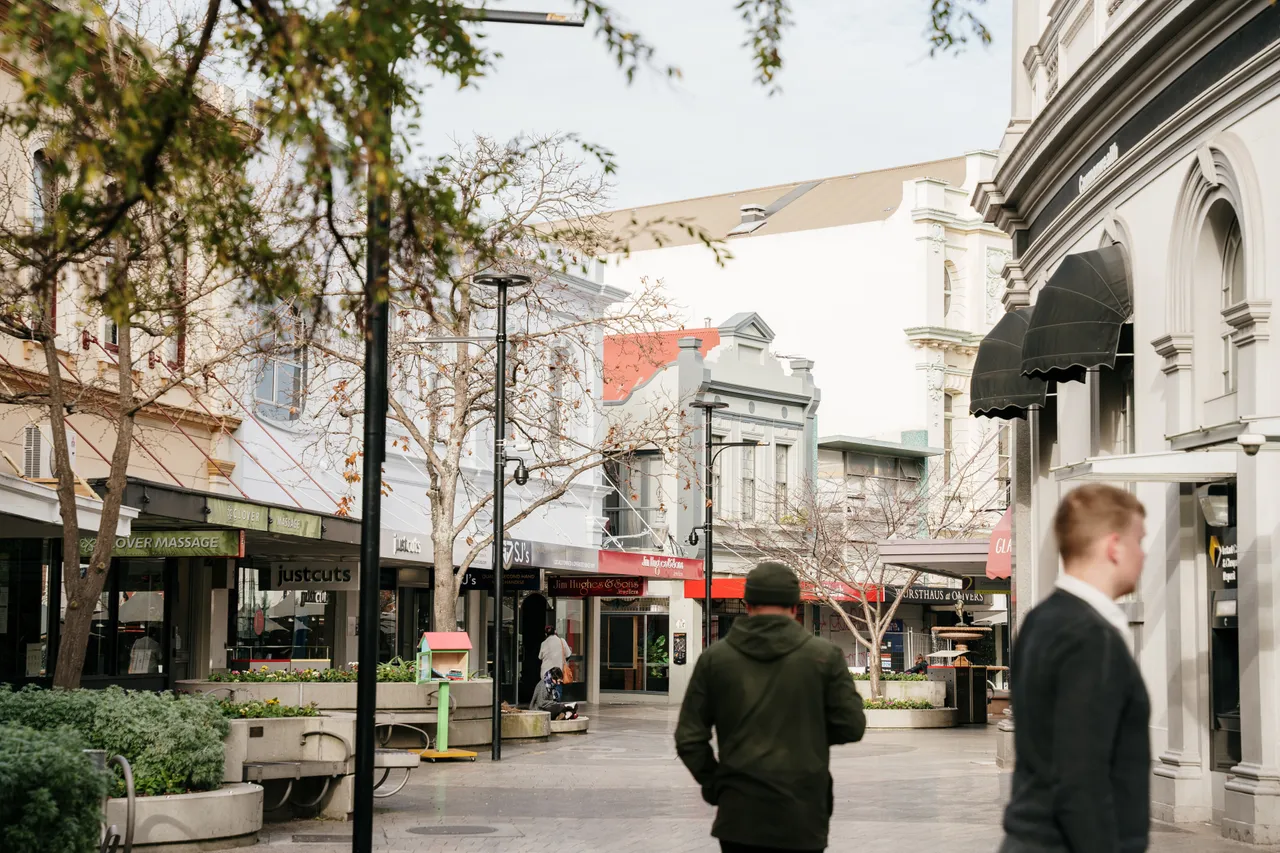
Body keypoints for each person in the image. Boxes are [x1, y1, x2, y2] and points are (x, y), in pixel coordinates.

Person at [676, 560, 866, 853]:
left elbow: (688, 738)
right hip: (803, 811)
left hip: (739, 813)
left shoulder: (715, 659)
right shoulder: (824, 656)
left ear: (747, 604)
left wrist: (716, 784)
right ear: (795, 607)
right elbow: (851, 726)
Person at [1000, 483, 1150, 853]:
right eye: (1139, 541)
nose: (1144, 554)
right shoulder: (1090, 635)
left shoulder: (1040, 619)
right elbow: (1081, 778)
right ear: (1115, 547)